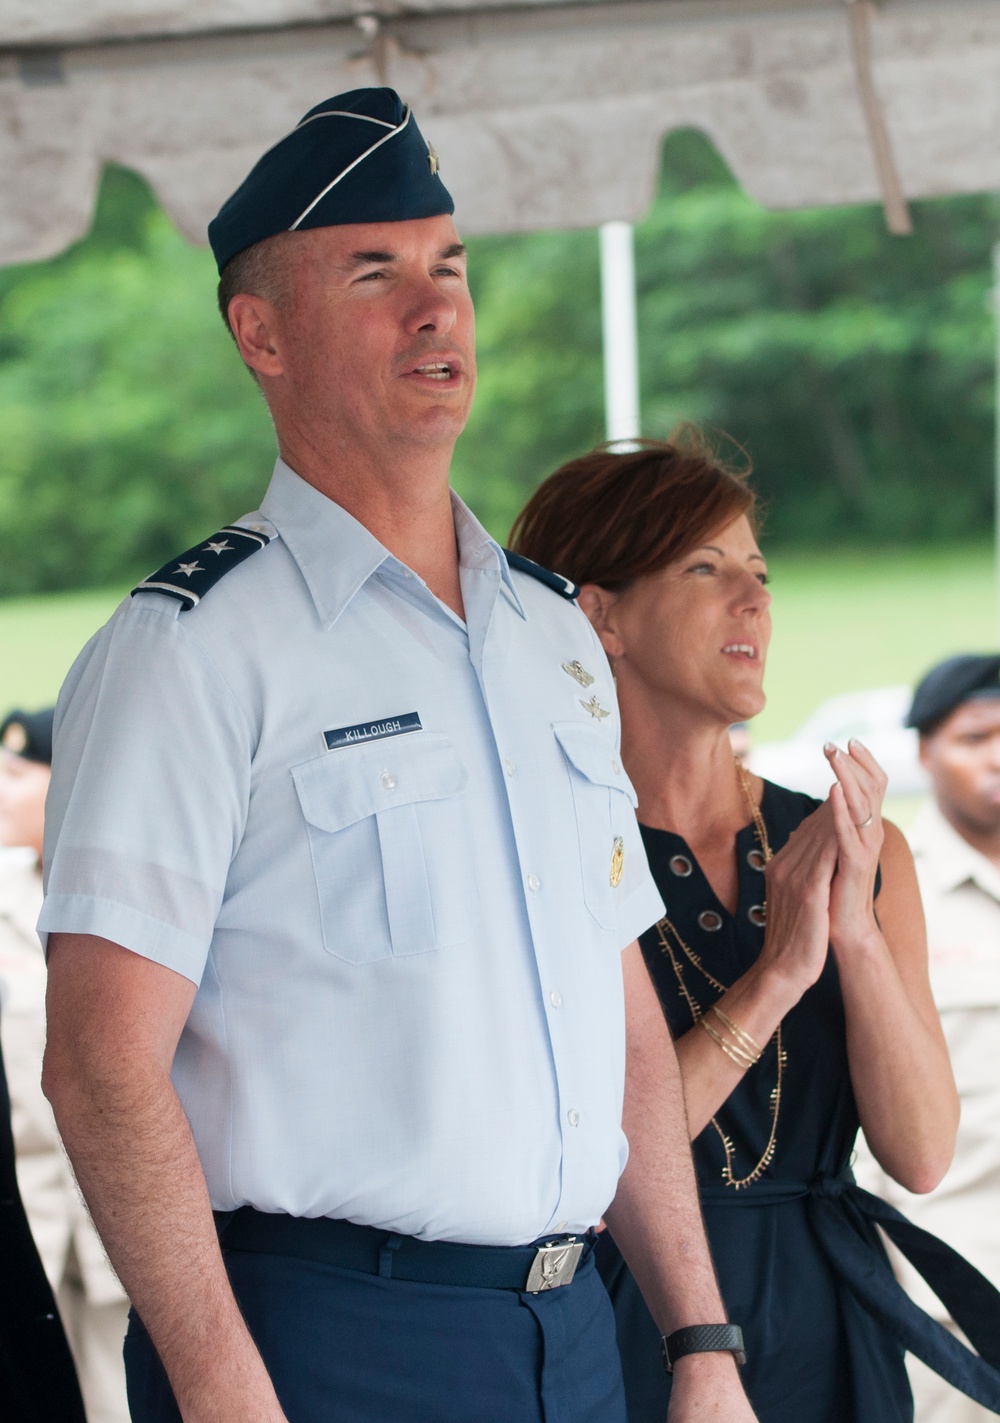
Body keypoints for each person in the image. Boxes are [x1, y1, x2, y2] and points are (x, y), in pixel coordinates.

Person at [38, 90, 759, 1423]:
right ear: (260, 332)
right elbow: (99, 1065)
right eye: (376, 274)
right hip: (321, 1343)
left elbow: (621, 1020)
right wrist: (223, 1390)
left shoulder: (551, 634)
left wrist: (699, 1335)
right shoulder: (190, 653)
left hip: (574, 1334)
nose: (436, 312)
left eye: (451, 268)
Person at [509, 436, 1000, 1423]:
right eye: (704, 567)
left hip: (832, 1312)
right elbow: (584, 1163)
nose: (755, 601)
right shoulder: (543, 849)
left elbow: (917, 1152)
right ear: (598, 613)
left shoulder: (858, 848)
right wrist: (776, 974)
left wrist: (850, 929)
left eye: (759, 572)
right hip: (629, 1318)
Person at [856, 655, 1000, 1423]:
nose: (999, 754)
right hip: (956, 1305)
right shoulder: (887, 891)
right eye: (976, 736)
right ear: (923, 754)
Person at [0, 708, 131, 1423]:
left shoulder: (122, 899)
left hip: (115, 1233)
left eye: (18, 776)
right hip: (35, 1233)